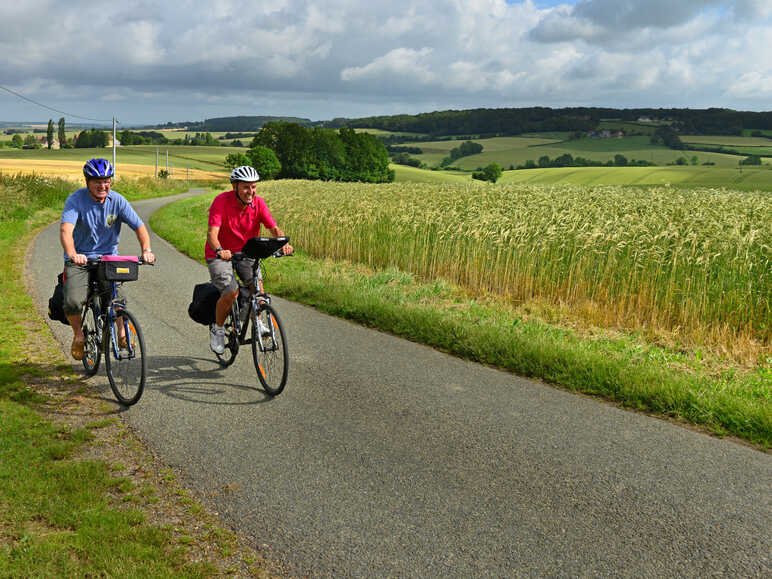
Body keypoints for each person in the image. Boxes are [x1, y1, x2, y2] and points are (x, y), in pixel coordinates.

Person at [60, 158, 155, 360]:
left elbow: (139, 227)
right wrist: (72, 254)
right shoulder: (75, 200)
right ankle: (78, 336)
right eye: (97, 181)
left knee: (116, 298)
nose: (102, 185)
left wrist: (146, 249)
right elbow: (66, 230)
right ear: (87, 182)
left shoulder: (118, 201)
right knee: (73, 301)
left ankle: (122, 333)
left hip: (108, 259)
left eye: (106, 180)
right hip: (80, 259)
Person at [206, 165, 293, 354]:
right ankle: (218, 329)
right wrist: (220, 250)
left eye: (253, 187)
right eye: (246, 187)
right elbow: (212, 234)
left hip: (247, 253)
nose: (250, 191)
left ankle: (259, 322)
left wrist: (282, 243)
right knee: (231, 292)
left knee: (258, 292)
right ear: (234, 186)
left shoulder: (259, 203)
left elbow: (274, 228)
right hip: (221, 254)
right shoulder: (221, 202)